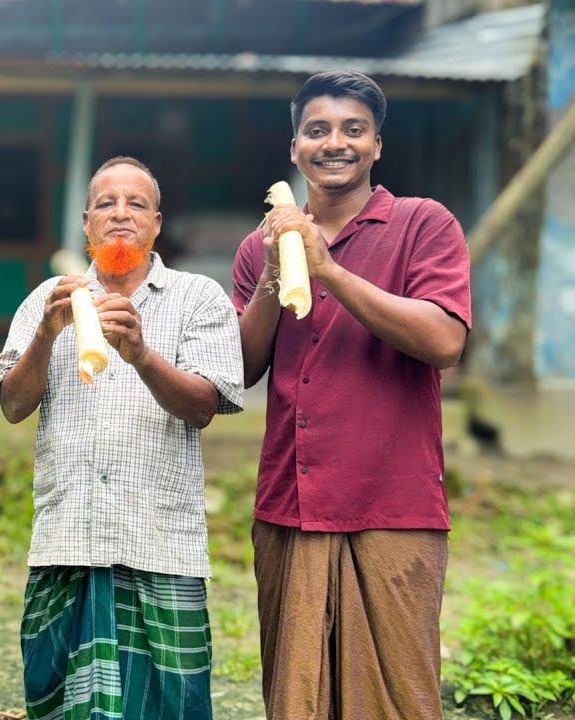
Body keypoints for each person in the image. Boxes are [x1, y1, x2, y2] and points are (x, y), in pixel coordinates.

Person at [230, 69, 471, 720]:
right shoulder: (260, 246)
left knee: (399, 698)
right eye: (317, 130)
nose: (334, 142)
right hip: (291, 503)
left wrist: (328, 269)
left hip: (395, 502)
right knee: (296, 697)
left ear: (376, 147)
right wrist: (271, 280)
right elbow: (242, 370)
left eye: (353, 130)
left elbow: (445, 341)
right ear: (294, 148)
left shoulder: (424, 224)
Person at [0, 156, 244, 720]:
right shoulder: (46, 300)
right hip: (68, 534)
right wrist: (45, 336)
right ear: (86, 223)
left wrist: (141, 353)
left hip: (158, 535)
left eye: (136, 204)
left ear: (157, 222)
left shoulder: (197, 298)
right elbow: (11, 405)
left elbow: (205, 406)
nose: (120, 214)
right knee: (58, 695)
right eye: (106, 203)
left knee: (170, 699)